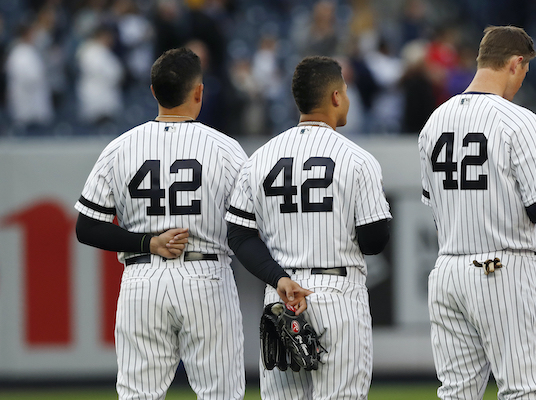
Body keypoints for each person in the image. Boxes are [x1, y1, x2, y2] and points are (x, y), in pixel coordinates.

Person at [74, 48, 247, 400]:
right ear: (199, 92)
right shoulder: (226, 149)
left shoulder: (120, 148)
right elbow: (253, 224)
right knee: (222, 394)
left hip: (143, 280)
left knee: (138, 394)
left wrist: (148, 243)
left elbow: (87, 227)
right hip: (207, 277)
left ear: (153, 92)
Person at [225, 55, 392, 399]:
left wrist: (280, 279)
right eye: (344, 91)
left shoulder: (260, 158)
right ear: (335, 97)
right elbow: (375, 240)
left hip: (282, 295)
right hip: (338, 294)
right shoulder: (357, 159)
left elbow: (240, 236)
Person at [418, 26, 536, 399]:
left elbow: (433, 206)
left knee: (457, 392)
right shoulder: (519, 120)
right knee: (522, 390)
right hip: (501, 268)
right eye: (525, 70)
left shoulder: (434, 122)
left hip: (447, 271)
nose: (523, 79)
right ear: (515, 63)